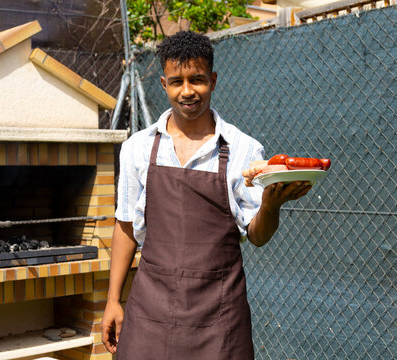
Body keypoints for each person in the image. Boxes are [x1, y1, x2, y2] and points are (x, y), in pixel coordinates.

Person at [101, 31, 312, 360]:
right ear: (163, 84)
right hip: (150, 308)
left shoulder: (244, 150)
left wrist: (272, 203)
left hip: (219, 314)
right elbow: (125, 225)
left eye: (197, 80)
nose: (187, 91)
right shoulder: (137, 149)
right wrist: (113, 299)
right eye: (176, 82)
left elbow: (257, 236)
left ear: (212, 80)